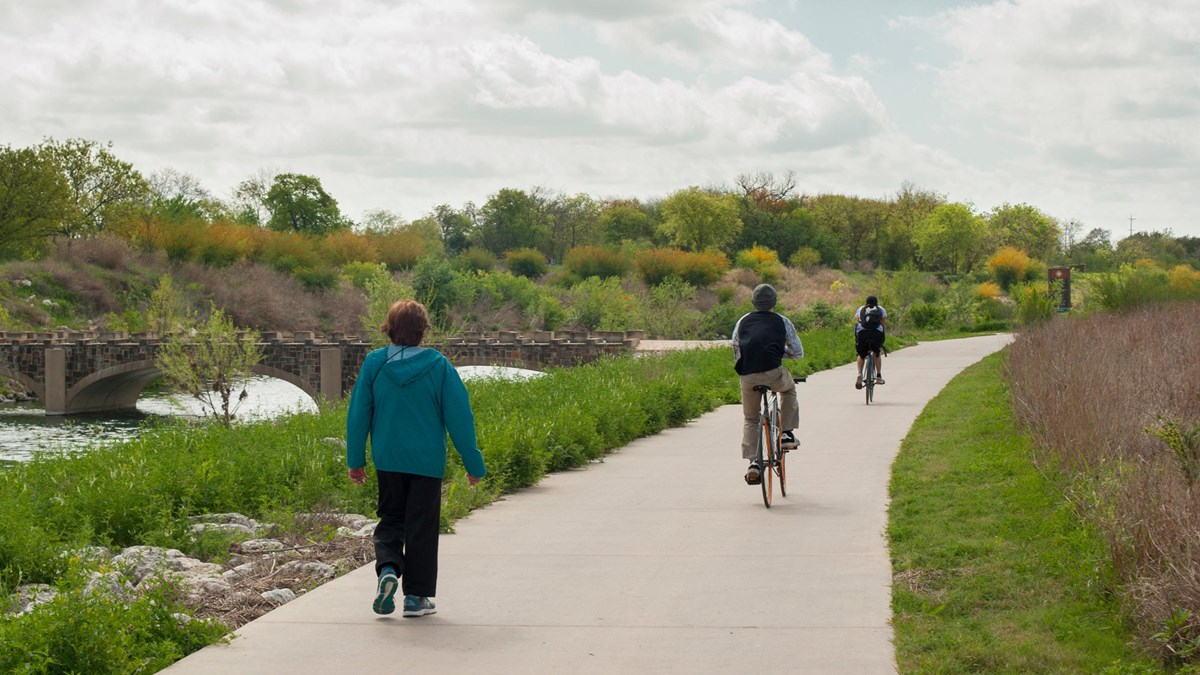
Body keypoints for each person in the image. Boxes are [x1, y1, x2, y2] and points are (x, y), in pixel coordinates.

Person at [346, 299, 486, 618]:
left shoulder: (374, 364)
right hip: (426, 462)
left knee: (391, 519)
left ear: (389, 329)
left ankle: (389, 570)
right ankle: (416, 598)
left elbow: (358, 415)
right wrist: (473, 463)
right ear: (424, 330)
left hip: (388, 459)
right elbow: (459, 417)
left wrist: (355, 460)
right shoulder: (438, 365)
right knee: (421, 526)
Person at [732, 284, 803, 485]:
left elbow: (736, 347)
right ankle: (787, 433)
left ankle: (753, 463)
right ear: (774, 302)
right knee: (789, 390)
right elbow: (797, 352)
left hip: (748, 375)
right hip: (774, 373)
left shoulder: (742, 321)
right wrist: (779, 353)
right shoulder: (782, 321)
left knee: (751, 418)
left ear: (754, 303)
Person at [853, 295, 887, 389]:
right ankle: (879, 376)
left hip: (863, 334)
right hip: (876, 334)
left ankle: (859, 373)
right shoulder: (881, 309)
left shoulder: (860, 309)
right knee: (876, 353)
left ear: (866, 302)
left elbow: (858, 323)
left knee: (861, 354)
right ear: (877, 303)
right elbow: (883, 325)